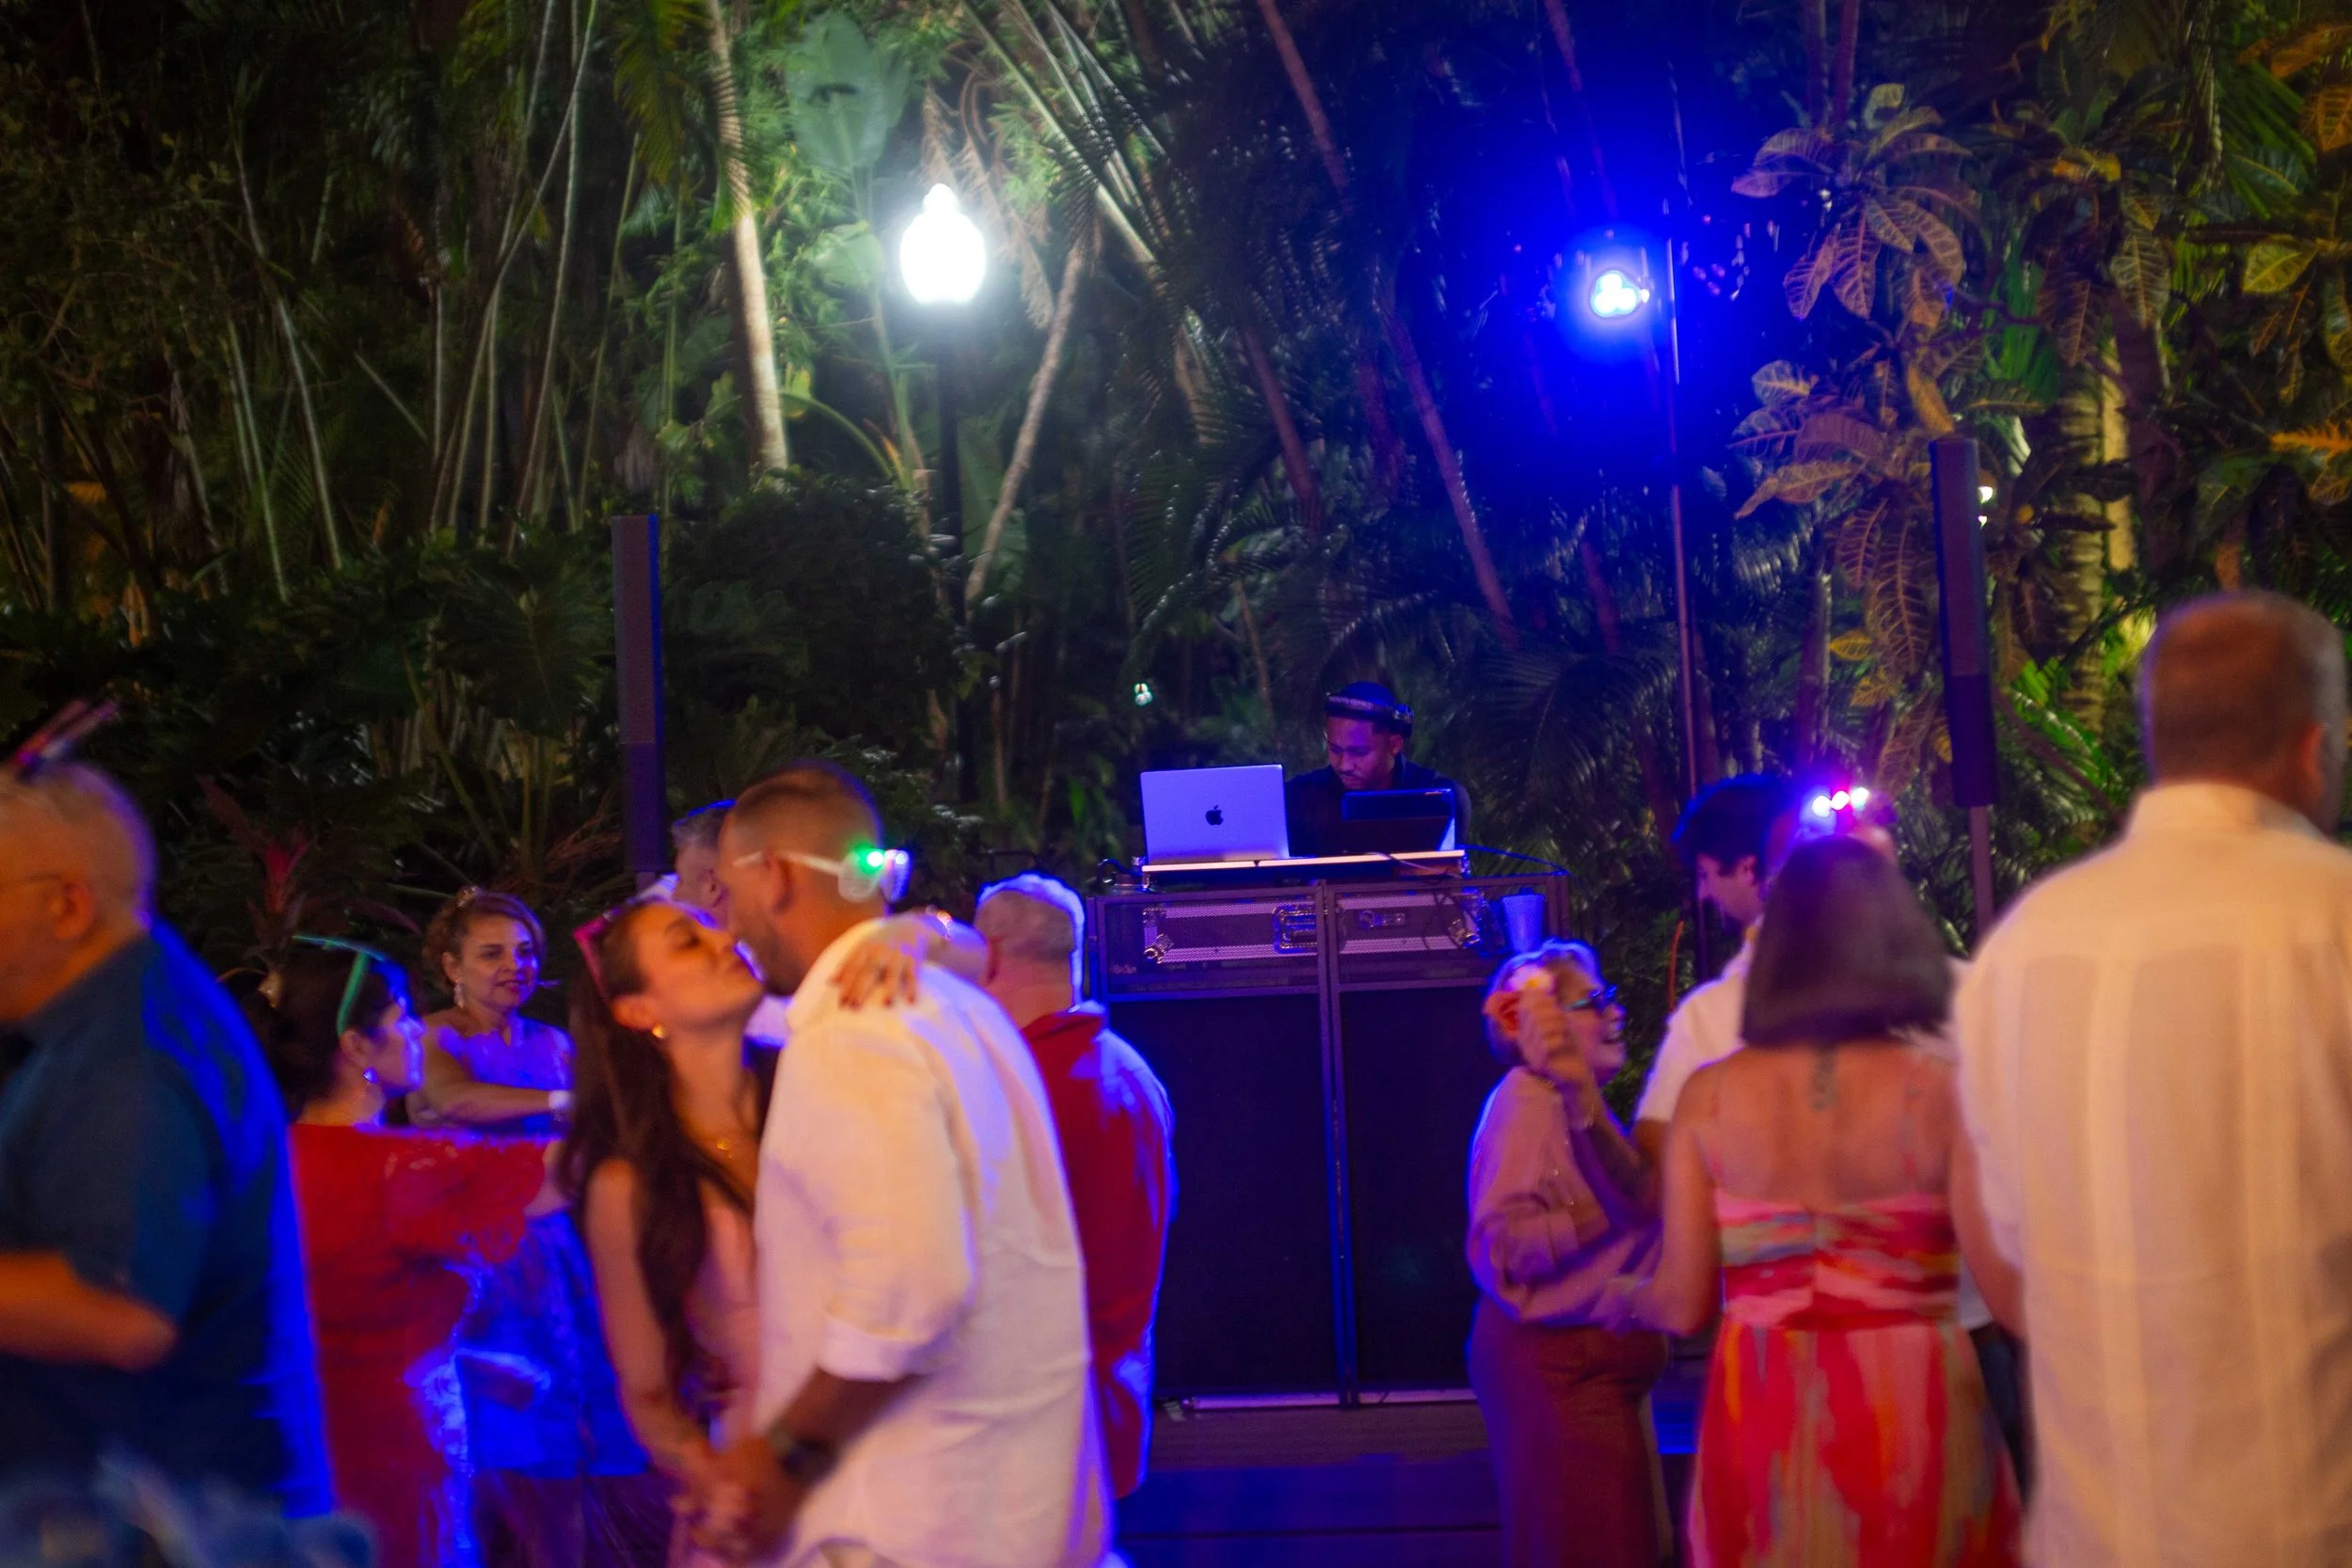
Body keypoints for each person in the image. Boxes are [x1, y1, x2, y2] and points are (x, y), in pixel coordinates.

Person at [1953, 590, 2352, 1567]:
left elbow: (2005, 1262)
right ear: (2315, 748)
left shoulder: (2021, 950)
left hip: (2096, 1531)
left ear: (2158, 743)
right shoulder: (2334, 916)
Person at [699, 761, 1108, 1566]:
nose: (726, 919)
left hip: (904, 1524)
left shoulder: (855, 1027)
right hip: (1004, 1508)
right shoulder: (957, 1006)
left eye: (727, 889)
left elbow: (910, 1291)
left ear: (774, 875)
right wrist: (931, 931)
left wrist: (781, 1456)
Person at [565, 894, 979, 1566]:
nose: (725, 940)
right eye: (688, 941)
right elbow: (648, 1393)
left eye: (715, 927)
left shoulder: (823, 1087)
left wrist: (915, 931)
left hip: (897, 1438)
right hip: (761, 1476)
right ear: (638, 1011)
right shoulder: (630, 1183)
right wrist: (718, 1482)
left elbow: (976, 960)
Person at [1640, 835, 2019, 1566]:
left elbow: (1683, 1305)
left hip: (1762, 1410)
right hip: (1913, 1409)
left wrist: (1617, 1296)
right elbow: (2008, 1295)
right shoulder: (1940, 1094)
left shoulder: (1708, 1096)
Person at [0, 764, 329, 1511]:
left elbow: (118, 1307)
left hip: (170, 1525)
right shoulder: (89, 1028)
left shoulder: (130, 1052)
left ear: (67, 904)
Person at [248, 941, 560, 1568]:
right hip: (392, 1453)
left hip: (292, 1442)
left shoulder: (261, 1161)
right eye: (402, 1016)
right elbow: (572, 1171)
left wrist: (468, 1362)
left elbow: (332, 1311)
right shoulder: (397, 1168)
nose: (420, 1030)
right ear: (356, 1047)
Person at [412, 886, 666, 1568]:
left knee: (566, 1434)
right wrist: (568, 1100)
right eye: (491, 953)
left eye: (524, 952)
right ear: (451, 965)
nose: (513, 966)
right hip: (477, 1255)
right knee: (492, 1442)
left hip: (559, 1250)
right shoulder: (434, 1036)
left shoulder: (553, 1042)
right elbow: (454, 1098)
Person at [972, 873, 1175, 1501]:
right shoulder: (1132, 1070)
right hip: (1110, 1405)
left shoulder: (1019, 1084)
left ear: (990, 955)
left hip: (1034, 1426)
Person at [1466, 940, 1666, 1568]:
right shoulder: (1526, 1100)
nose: (1615, 1011)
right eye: (1593, 1001)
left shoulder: (1572, 1105)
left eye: (1610, 997)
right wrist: (1612, 1209)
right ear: (1541, 1022)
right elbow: (1501, 1247)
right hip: (1559, 1374)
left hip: (1589, 1375)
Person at [1632, 773, 1791, 1164]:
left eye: (1705, 874)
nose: (1703, 893)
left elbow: (1656, 1147)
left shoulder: (1711, 1012)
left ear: (1748, 869)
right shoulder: (1901, 979)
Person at [1281, 682, 1470, 858]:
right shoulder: (1299, 798)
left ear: (1394, 745)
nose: (1344, 765)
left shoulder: (1439, 798)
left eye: (1359, 752)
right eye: (1335, 750)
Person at [669, 803, 792, 1047]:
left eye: (681, 880)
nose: (675, 895)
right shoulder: (805, 952)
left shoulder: (734, 989)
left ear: (712, 886)